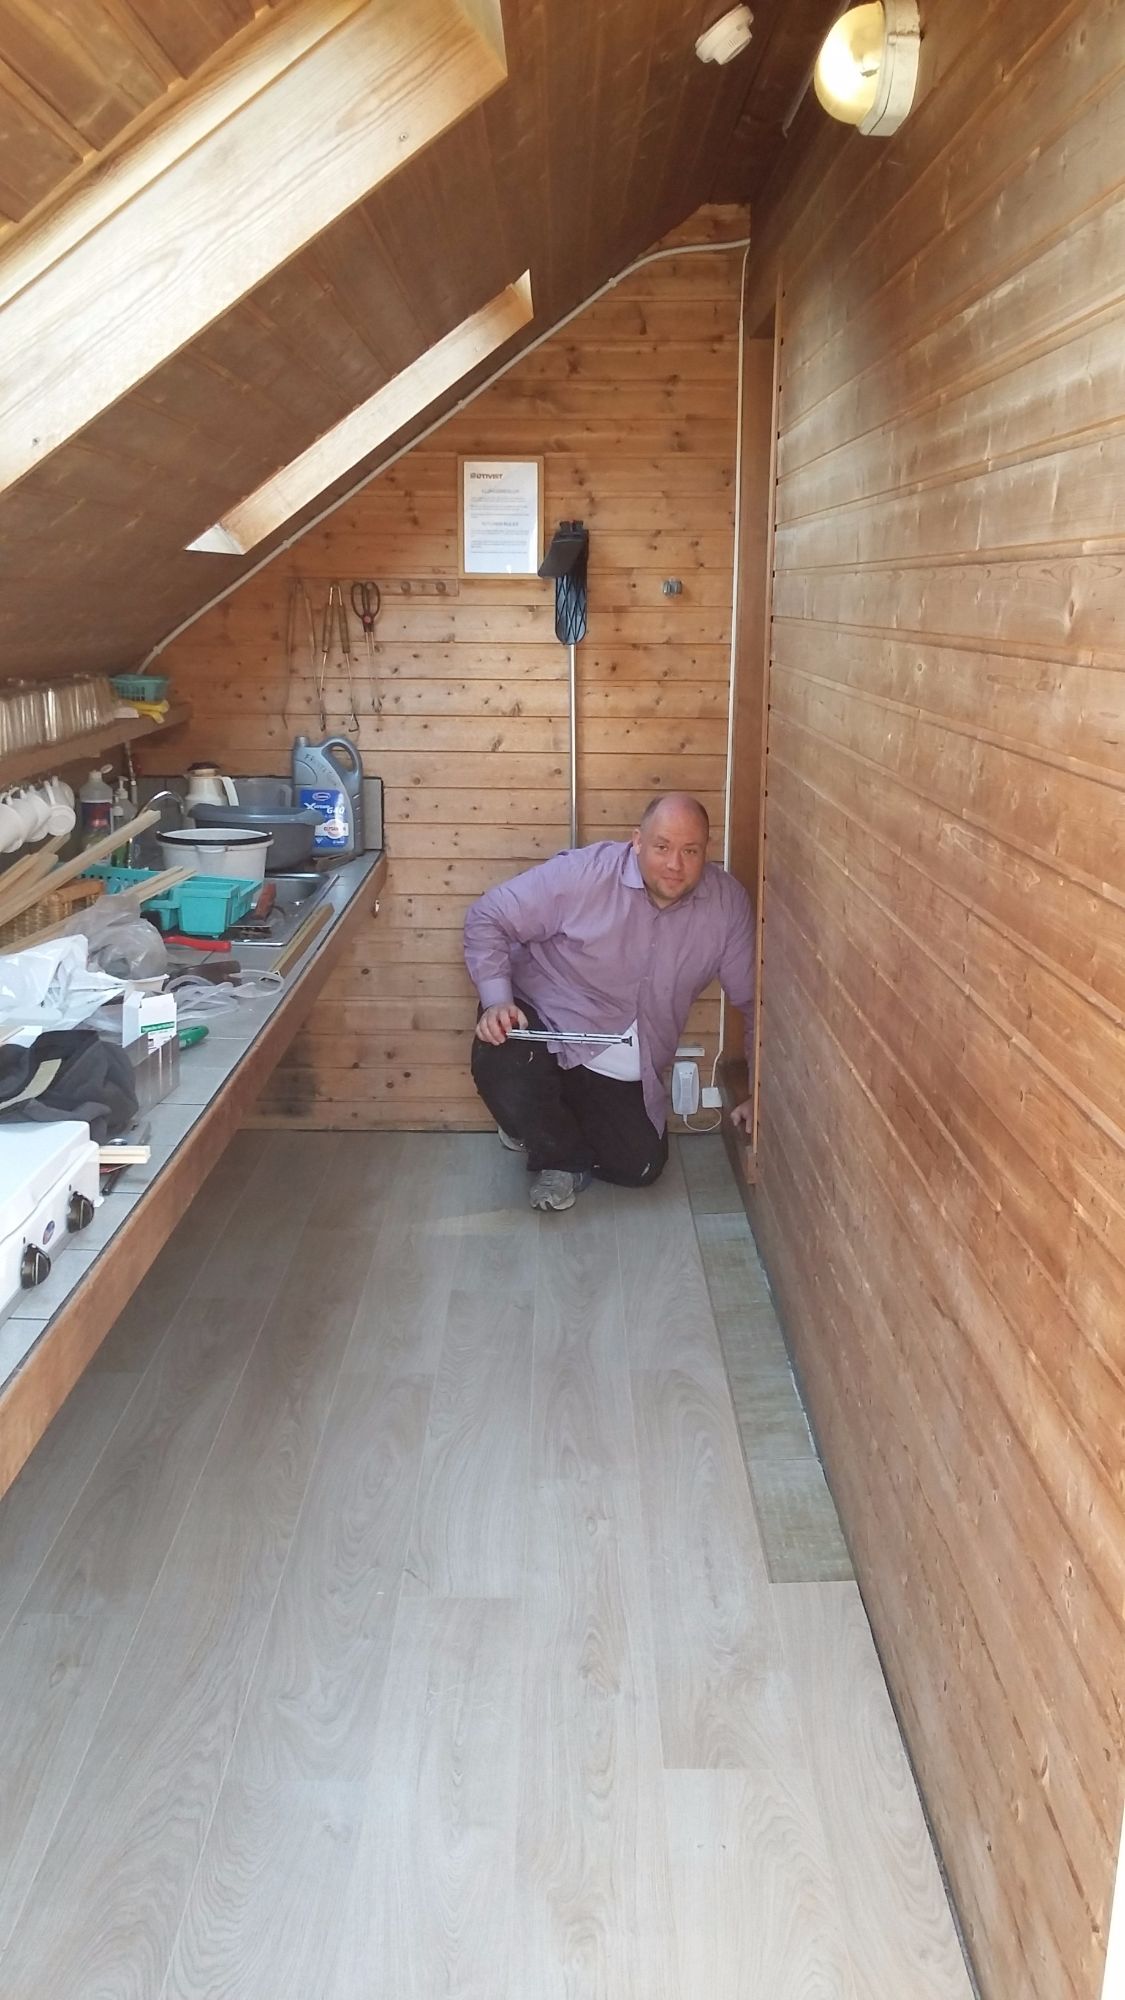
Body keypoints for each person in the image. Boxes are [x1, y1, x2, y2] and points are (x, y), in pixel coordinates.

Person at [464, 793, 755, 1211]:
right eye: (662, 847)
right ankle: (556, 1156)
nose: (675, 864)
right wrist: (496, 1002)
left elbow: (755, 1003)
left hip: (619, 1066)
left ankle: (539, 1126)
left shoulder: (727, 905)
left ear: (706, 851)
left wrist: (760, 1093)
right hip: (548, 1027)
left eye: (690, 851)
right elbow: (488, 915)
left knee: (641, 1167)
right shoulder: (584, 873)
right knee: (503, 1057)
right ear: (637, 841)